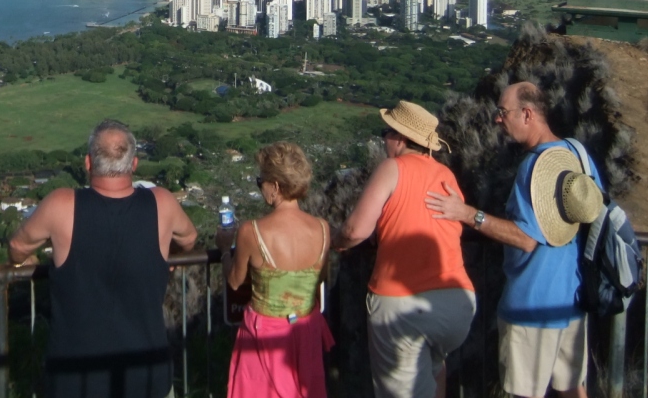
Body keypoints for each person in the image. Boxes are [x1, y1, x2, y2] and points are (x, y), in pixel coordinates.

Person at [425, 81, 604, 398]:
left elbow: (525, 239)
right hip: (572, 301)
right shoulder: (579, 155)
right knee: (573, 389)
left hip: (531, 303)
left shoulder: (534, 169)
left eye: (502, 112)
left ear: (527, 114)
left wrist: (468, 214)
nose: (497, 119)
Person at [8, 119, 197, 398]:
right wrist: (162, 258)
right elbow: (189, 239)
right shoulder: (162, 203)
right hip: (147, 374)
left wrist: (31, 261)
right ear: (134, 164)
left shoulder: (61, 205)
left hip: (76, 379)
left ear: (88, 163)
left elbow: (16, 247)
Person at [333, 101, 476, 398]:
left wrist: (334, 244)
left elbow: (355, 230)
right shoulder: (445, 175)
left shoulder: (392, 168)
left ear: (399, 139)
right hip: (456, 303)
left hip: (403, 306)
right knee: (434, 370)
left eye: (387, 132)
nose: (384, 139)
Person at [219, 142, 334, 398]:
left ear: (276, 186)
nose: (261, 188)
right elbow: (321, 278)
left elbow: (235, 281)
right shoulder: (323, 229)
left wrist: (226, 250)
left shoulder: (252, 231)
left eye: (261, 181)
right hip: (306, 331)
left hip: (264, 335)